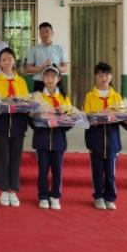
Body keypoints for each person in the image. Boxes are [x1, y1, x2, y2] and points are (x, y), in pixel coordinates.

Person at [84, 62, 127, 211]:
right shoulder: (89, 96)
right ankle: (98, 197)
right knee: (97, 172)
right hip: (95, 141)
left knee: (111, 174)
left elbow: (124, 120)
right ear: (95, 77)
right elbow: (87, 118)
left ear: (111, 76)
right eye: (100, 75)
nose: (103, 78)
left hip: (112, 142)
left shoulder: (117, 96)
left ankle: (110, 198)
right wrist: (95, 119)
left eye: (106, 75)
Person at [0, 48, 29, 207]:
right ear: (0, 63)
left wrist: (21, 104)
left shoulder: (21, 81)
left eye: (9, 59)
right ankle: (4, 190)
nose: (6, 62)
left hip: (18, 125)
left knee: (16, 159)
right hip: (1, 124)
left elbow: (26, 102)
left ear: (14, 61)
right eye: (3, 60)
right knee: (2, 158)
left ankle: (13, 190)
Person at [31, 65, 71, 210]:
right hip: (41, 140)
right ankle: (43, 196)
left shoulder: (64, 98)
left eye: (53, 76)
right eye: (47, 76)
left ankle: (55, 196)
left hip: (58, 140)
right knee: (42, 170)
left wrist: (62, 116)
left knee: (57, 170)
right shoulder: (36, 97)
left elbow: (70, 122)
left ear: (58, 79)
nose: (50, 79)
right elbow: (31, 120)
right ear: (43, 79)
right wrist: (39, 118)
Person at [25, 22, 68, 92]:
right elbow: (28, 68)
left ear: (52, 33)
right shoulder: (34, 49)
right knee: (38, 100)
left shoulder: (60, 49)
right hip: (39, 83)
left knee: (58, 99)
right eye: (42, 32)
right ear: (39, 34)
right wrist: (42, 67)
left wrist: (55, 68)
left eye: (47, 31)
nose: (44, 35)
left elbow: (65, 68)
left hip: (56, 83)